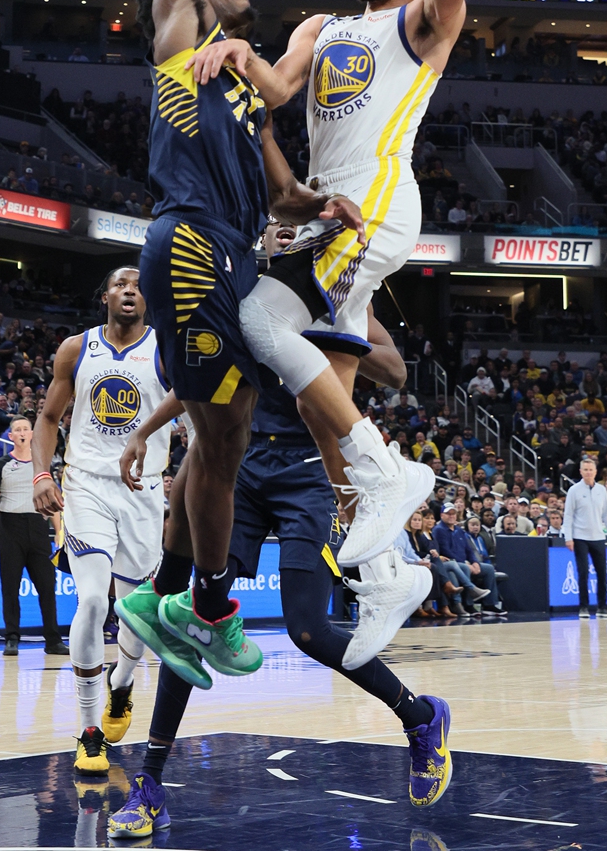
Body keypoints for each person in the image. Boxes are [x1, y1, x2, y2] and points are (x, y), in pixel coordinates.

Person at [196, 0, 517, 659]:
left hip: (368, 207)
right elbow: (275, 82)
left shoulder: (418, 28)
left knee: (258, 321)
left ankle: (388, 475)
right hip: (316, 217)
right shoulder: (321, 28)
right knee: (317, 400)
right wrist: (228, 54)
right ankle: (392, 570)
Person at [111, 0, 364, 684]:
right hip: (187, 246)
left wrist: (322, 208)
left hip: (232, 252)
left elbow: (283, 192)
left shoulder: (247, 89)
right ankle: (200, 600)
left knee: (230, 427)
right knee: (225, 430)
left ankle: (191, 597)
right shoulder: (180, 26)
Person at [108, 276, 452, 839]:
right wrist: (146, 427)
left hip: (308, 473)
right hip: (239, 465)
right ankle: (149, 784)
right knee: (197, 615)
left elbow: (394, 371)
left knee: (309, 630)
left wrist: (330, 344)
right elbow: (203, 377)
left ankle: (419, 718)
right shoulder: (248, 288)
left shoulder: (338, 293)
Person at [30, 268, 172, 776]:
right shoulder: (76, 349)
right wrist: (41, 474)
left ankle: (124, 682)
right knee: (92, 600)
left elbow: (198, 417)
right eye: (119, 283)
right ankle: (90, 730)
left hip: (144, 490)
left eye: (138, 283)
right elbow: (48, 420)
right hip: (86, 484)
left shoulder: (167, 349)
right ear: (106, 295)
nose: (129, 289)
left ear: (148, 296)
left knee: (137, 612)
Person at [0, 416, 68, 659]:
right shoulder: (2, 464)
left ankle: (53, 640)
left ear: (32, 434)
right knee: (10, 587)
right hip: (10, 528)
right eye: (16, 429)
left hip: (38, 527)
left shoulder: (43, 465)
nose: (21, 432)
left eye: (25, 429)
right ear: (10, 436)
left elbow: (54, 502)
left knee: (48, 587)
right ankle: (11, 638)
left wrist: (59, 532)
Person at [563, 456, 607, 619]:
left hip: (598, 536)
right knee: (583, 572)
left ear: (595, 472)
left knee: (602, 573)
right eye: (585, 469)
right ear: (580, 471)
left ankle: (602, 607)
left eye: (590, 469)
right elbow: (568, 515)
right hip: (580, 537)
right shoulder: (574, 490)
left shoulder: (601, 490)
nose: (588, 472)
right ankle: (583, 607)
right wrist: (568, 538)